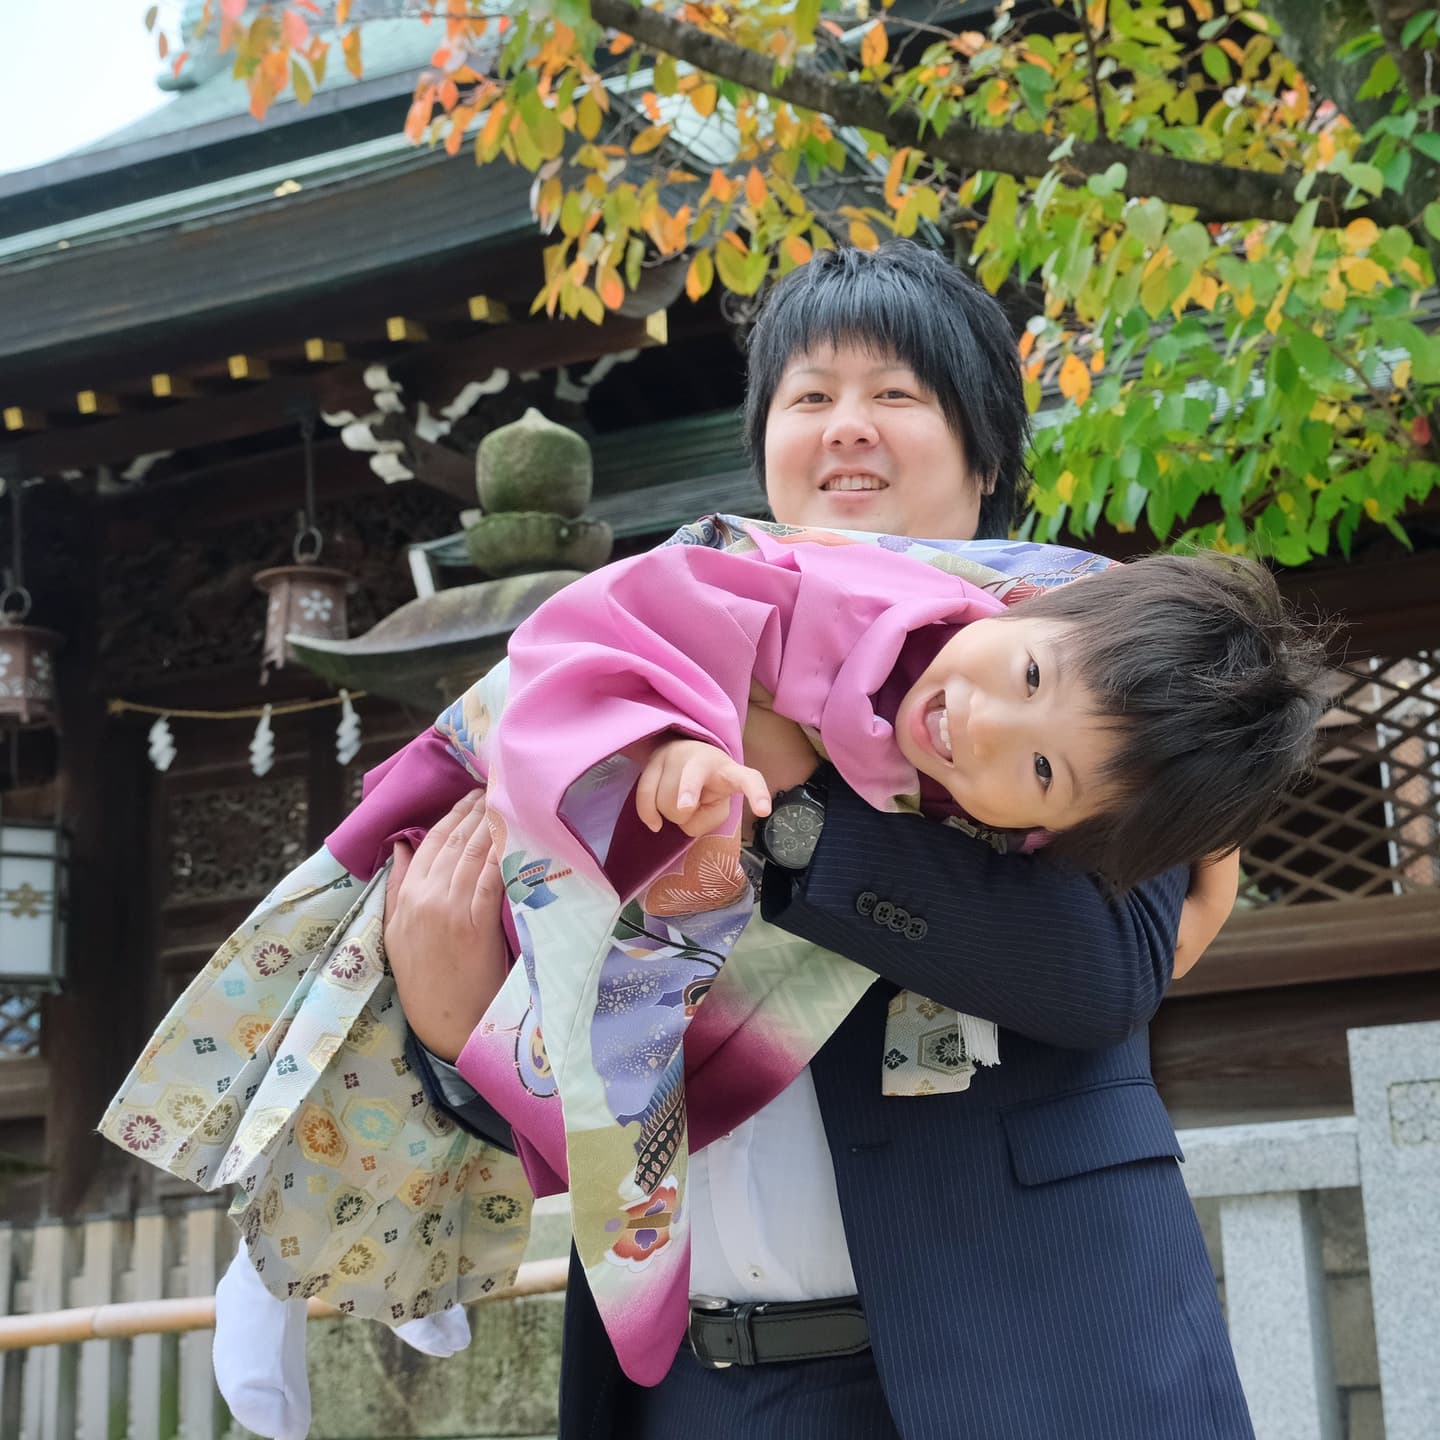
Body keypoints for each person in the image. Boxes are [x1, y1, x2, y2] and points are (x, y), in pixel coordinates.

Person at [386, 242, 1265, 1438]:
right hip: (700, 1388)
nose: (847, 426)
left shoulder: (1077, 651)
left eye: (896, 394)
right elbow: (606, 1073)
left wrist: (787, 808)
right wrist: (457, 1027)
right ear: (762, 450)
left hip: (1035, 1365)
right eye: (810, 397)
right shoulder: (640, 673)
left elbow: (1103, 970)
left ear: (988, 450)